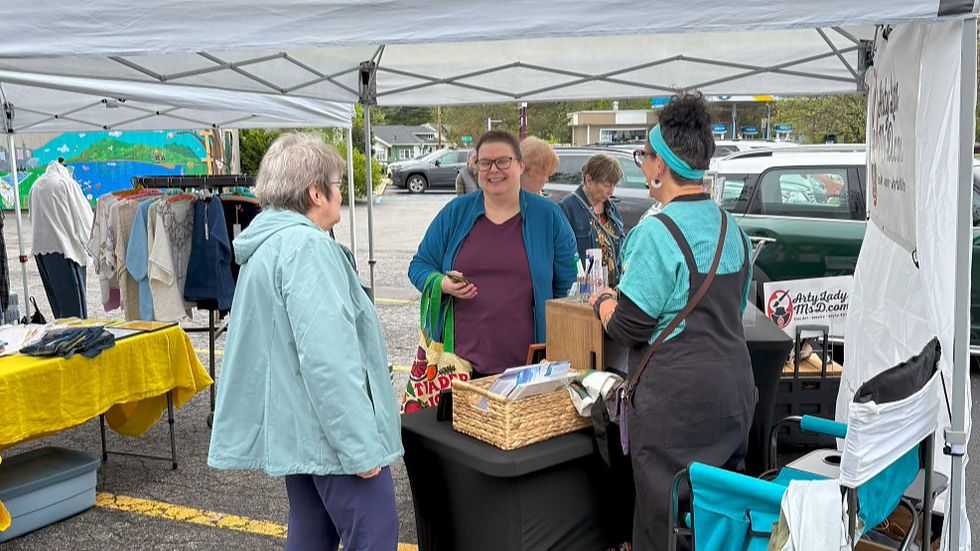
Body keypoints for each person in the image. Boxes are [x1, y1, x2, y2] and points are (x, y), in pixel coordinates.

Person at [208, 132, 402, 551]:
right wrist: (359, 446)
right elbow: (328, 358)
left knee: (312, 531)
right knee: (375, 532)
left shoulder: (270, 246)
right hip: (329, 434)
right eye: (336, 184)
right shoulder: (307, 249)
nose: (339, 194)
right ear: (316, 192)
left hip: (299, 426)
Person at [589, 93, 756, 551]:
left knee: (664, 518)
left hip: (677, 404)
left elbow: (629, 326)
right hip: (734, 393)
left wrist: (603, 300)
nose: (642, 164)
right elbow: (733, 310)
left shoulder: (654, 233)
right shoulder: (731, 228)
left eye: (644, 155)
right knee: (718, 513)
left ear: (660, 165)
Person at [409, 129, 576, 376]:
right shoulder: (456, 212)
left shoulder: (548, 216)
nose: (493, 169)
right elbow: (419, 266)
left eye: (503, 161)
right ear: (476, 168)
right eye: (485, 163)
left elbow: (568, 289)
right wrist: (442, 284)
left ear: (521, 165)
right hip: (458, 367)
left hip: (529, 369)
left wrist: (560, 351)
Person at [29, 160, 94, 319]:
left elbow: (31, 218)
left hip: (41, 251)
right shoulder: (67, 184)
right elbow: (84, 218)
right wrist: (91, 246)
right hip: (66, 250)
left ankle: (64, 337)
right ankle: (78, 341)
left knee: (58, 306)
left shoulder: (35, 186)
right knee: (75, 311)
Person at [557, 153, 626, 287]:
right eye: (606, 185)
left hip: (611, 292)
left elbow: (620, 250)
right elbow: (562, 259)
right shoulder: (567, 208)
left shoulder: (611, 209)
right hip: (584, 294)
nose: (611, 191)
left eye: (614, 185)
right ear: (588, 180)